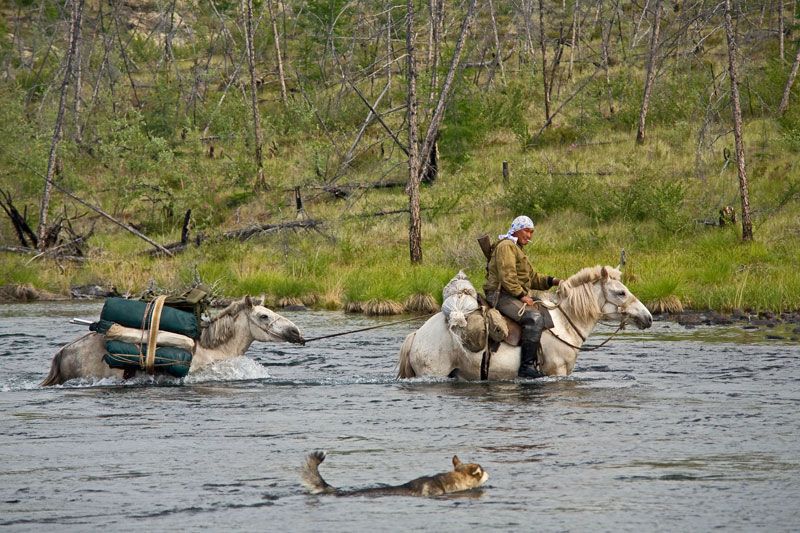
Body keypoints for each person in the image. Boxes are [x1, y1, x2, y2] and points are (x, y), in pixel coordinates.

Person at [484, 216, 560, 378]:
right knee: (533, 318)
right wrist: (522, 296)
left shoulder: (517, 248)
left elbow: (532, 278)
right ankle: (526, 366)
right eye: (526, 230)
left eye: (531, 232)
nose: (529, 235)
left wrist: (553, 281)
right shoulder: (506, 246)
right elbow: (507, 276)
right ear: (517, 229)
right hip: (501, 295)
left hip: (509, 293)